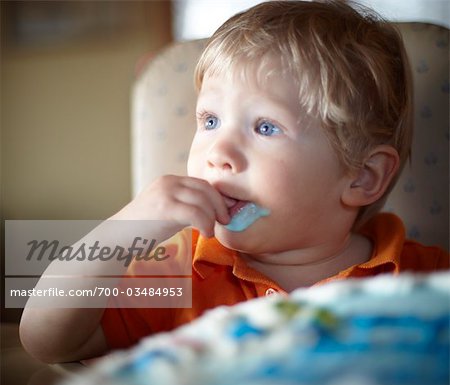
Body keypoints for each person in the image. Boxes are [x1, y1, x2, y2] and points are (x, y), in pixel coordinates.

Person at [20, 0, 449, 362]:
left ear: (362, 176)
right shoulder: (182, 271)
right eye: (210, 120)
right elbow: (46, 341)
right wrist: (127, 227)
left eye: (265, 127)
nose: (217, 154)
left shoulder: (422, 278)